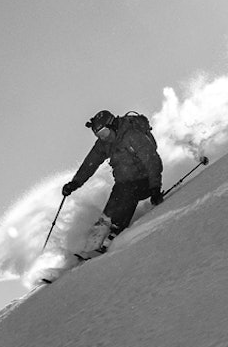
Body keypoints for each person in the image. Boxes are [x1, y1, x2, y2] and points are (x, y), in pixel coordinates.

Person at [61, 109, 164, 259]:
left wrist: (155, 187)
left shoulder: (131, 135)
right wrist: (75, 183)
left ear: (113, 125)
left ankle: (116, 230)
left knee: (128, 191)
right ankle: (94, 240)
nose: (104, 138)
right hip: (124, 184)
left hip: (146, 182)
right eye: (100, 135)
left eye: (105, 133)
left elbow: (152, 160)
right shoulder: (104, 144)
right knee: (115, 200)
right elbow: (90, 163)